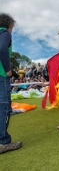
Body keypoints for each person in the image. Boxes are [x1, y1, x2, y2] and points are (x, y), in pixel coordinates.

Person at [0, 13, 22, 154]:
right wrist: (8, 70)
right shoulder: (5, 32)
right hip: (1, 76)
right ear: (9, 24)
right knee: (3, 107)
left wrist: (13, 73)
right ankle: (3, 142)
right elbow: (2, 49)